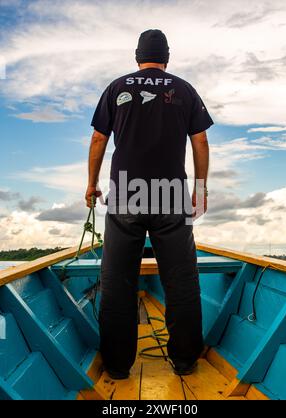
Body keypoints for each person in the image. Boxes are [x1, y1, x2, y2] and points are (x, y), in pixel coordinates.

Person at [86, 29, 213, 379]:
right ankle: (185, 360)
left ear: (137, 55)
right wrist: (199, 189)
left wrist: (91, 184)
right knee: (182, 280)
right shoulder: (184, 89)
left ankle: (117, 365)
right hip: (170, 193)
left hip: (127, 192)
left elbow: (99, 138)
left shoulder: (116, 88)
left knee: (116, 281)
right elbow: (200, 141)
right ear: (167, 56)